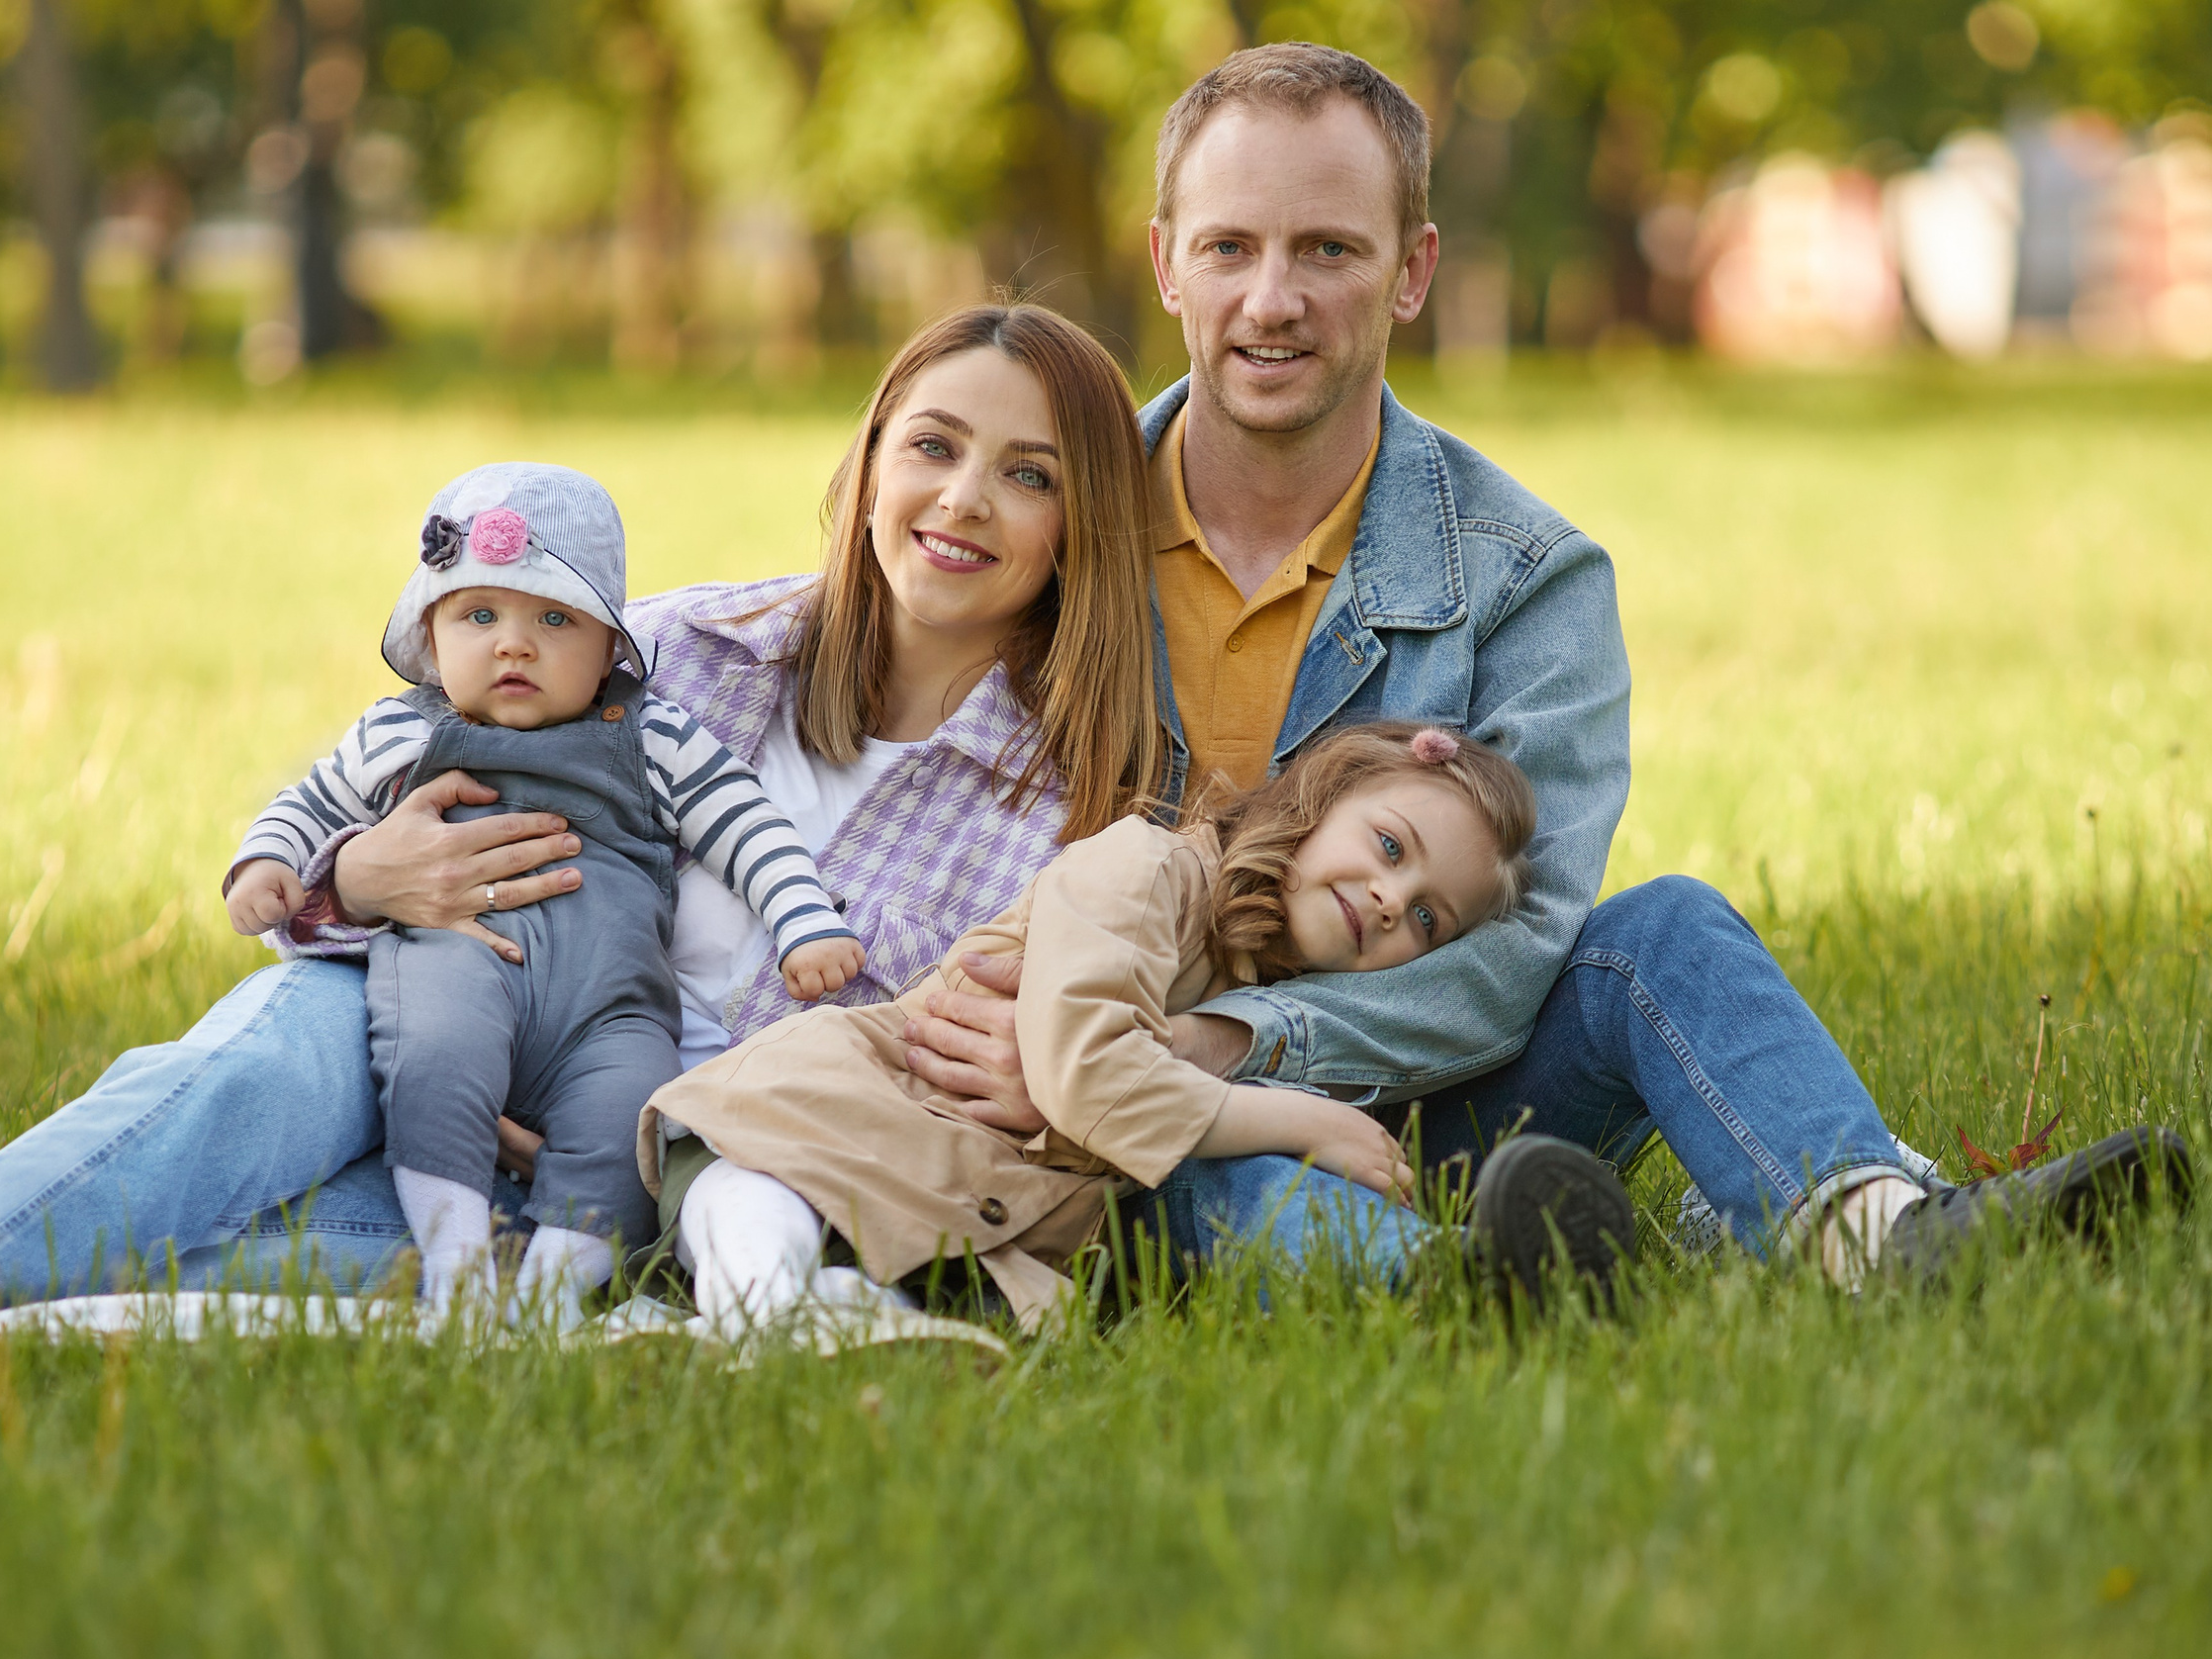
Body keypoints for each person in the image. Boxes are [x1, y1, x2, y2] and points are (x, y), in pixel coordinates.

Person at [891, 43, 2190, 1286]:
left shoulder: (1527, 581)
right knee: (1185, 1171)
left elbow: (1513, 960)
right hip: (1077, 1113)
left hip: (1412, 1099)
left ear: (1413, 270)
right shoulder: (1043, 523)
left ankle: (1872, 1233)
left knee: (1660, 934)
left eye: (1329, 251)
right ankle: (1482, 1282)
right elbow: (870, 738)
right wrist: (1072, 1052)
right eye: (1231, 247)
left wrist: (1212, 1049)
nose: (1271, 299)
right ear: (1168, 262)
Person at [0, 302, 1164, 1358]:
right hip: (407, 1019)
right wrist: (353, 877)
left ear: (1078, 520)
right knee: (262, 1058)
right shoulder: (682, 649)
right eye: (934, 446)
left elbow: (894, 1093)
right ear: (872, 465)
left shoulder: (1061, 820)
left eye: (1026, 473)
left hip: (607, 1167)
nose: (962, 500)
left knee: (225, 1241)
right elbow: (391, 761)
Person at [651, 722, 1631, 1341]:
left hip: (962, 1224)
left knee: (1176, 1218)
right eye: (1387, 847)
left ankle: (1450, 1280)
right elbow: (1086, 1072)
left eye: (1426, 919)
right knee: (757, 1224)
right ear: (1319, 797)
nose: (1388, 899)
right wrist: (1294, 1120)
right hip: (807, 1129)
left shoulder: (1268, 992)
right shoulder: (1140, 868)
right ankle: (761, 1318)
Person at [223, 460, 861, 1310]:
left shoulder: (651, 733)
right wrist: (269, 863)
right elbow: (310, 800)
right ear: (432, 636)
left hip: (611, 1008)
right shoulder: (403, 733)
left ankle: (554, 1292)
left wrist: (806, 923)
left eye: (555, 619)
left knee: (630, 1112)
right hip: (458, 971)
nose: (512, 644)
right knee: (436, 1060)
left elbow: (748, 826)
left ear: (608, 652)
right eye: (478, 615)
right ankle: (456, 1265)